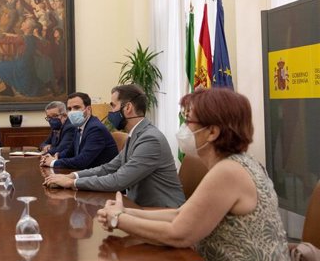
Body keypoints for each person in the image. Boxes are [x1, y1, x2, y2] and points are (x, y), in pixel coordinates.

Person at [96, 88, 289, 261]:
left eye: (189, 121)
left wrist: (118, 219)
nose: (184, 129)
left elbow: (178, 234)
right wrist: (126, 211)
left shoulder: (228, 172)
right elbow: (181, 215)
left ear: (212, 132)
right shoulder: (241, 162)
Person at [43, 85, 185, 208]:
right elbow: (109, 167)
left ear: (128, 107)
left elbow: (118, 180)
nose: (111, 111)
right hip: (138, 205)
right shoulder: (136, 134)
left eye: (113, 105)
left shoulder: (149, 139)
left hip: (162, 211)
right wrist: (71, 175)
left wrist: (72, 183)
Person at [40, 92, 118, 169]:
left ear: (88, 109)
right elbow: (70, 151)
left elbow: (82, 161)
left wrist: (53, 162)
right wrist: (56, 156)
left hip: (100, 176)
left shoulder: (95, 128)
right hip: (86, 173)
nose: (72, 112)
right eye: (70, 109)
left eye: (76, 107)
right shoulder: (79, 127)